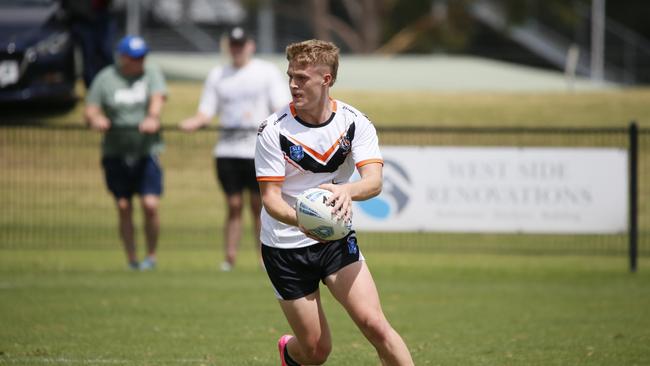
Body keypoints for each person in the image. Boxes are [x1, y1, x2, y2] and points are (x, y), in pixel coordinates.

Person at [255, 39, 414, 365]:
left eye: (302, 78)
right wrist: (303, 219)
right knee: (316, 351)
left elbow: (374, 181)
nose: (293, 84)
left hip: (336, 239)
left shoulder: (354, 123)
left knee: (376, 325)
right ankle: (289, 351)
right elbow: (270, 199)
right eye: (291, 76)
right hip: (284, 246)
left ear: (326, 79)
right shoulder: (273, 130)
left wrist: (347, 191)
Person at [180, 27, 289, 271]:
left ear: (250, 45)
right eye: (233, 45)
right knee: (233, 204)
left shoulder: (266, 72)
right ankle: (229, 256)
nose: (237, 49)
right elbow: (206, 110)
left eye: (241, 44)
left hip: (258, 149)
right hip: (227, 150)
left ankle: (264, 256)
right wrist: (194, 122)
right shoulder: (218, 75)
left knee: (259, 204)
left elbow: (280, 106)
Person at [84, 35, 167, 271]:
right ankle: (131, 258)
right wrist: (97, 118)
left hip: (146, 150)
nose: (139, 62)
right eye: (134, 58)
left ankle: (151, 256)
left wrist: (152, 117)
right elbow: (90, 109)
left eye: (142, 57)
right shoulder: (105, 78)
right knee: (123, 206)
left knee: (150, 205)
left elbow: (158, 97)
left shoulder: (150, 72)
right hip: (116, 152)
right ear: (122, 57)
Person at [61, 0, 117, 88]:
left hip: (103, 14)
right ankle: (93, 89)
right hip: (81, 17)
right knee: (88, 57)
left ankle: (109, 86)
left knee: (107, 54)